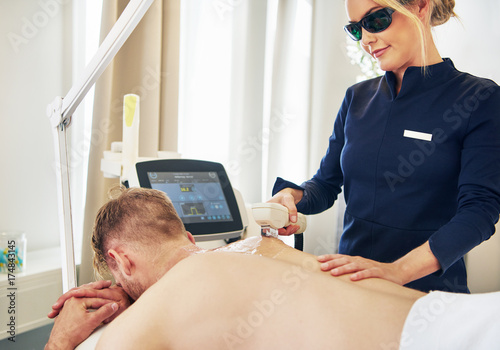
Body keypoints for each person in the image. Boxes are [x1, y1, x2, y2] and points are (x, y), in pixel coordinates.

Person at [46, 188, 499, 349]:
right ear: (186, 237)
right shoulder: (257, 246)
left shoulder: (162, 305)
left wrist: (61, 339)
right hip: (463, 316)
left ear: (121, 261)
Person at [269, 0, 500, 293]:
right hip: (351, 284)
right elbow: (325, 186)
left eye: (376, 20)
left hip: (427, 297)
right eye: (355, 29)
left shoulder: (479, 98)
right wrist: (292, 196)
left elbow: (480, 211)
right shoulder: (357, 98)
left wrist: (397, 271)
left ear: (419, 7)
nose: (366, 39)